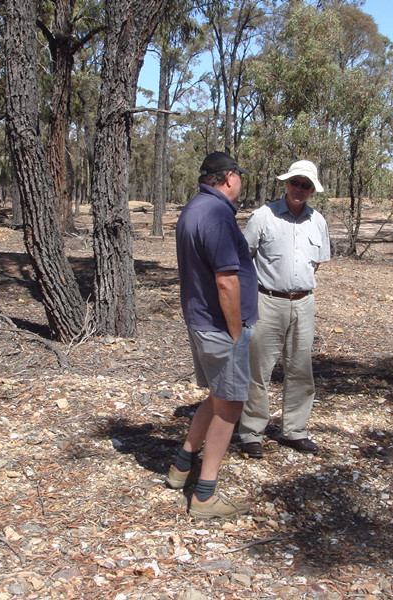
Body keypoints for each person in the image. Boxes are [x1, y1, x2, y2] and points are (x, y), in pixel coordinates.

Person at [167, 151, 259, 519]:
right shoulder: (218, 214)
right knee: (231, 405)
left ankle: (181, 465)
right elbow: (226, 281)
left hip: (201, 321)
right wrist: (236, 332)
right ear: (230, 177)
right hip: (221, 327)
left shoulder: (193, 208)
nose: (241, 183)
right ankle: (205, 495)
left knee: (218, 396)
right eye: (240, 177)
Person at [238, 160, 331, 458]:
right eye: (295, 183)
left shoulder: (318, 221)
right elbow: (243, 259)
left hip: (304, 302)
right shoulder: (263, 216)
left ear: (312, 190)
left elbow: (316, 263)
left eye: (306, 185)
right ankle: (252, 432)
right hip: (266, 301)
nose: (299, 189)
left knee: (301, 369)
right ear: (286, 183)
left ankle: (294, 431)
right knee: (258, 371)